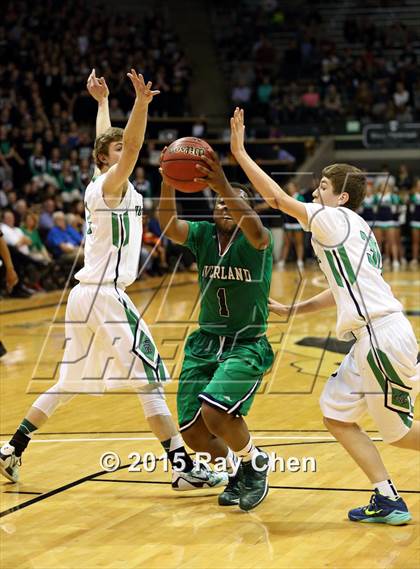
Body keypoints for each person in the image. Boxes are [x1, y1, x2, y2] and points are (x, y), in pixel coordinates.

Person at [0, 69, 225, 492]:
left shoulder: (100, 182)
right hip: (105, 295)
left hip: (85, 296)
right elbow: (131, 146)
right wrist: (141, 102)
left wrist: (102, 103)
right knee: (150, 379)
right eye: (117, 151)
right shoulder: (110, 184)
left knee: (69, 383)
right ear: (106, 160)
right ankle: (182, 466)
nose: (126, 153)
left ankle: (12, 448)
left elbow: (110, 142)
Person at [230, 107, 419, 525]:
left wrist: (240, 153)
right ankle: (386, 497)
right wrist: (292, 309)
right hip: (373, 338)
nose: (316, 194)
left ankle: (389, 499)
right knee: (335, 413)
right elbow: (339, 291)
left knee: (401, 434)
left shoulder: (332, 218)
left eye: (324, 187)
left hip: (382, 338)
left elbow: (277, 200)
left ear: (341, 197)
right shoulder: (356, 227)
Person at [158, 152, 274, 511]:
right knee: (193, 432)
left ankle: (255, 465)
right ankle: (239, 468)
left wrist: (223, 182)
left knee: (215, 412)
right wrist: (169, 180)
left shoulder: (257, 240)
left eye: (232, 203)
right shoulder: (203, 234)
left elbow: (254, 227)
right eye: (219, 203)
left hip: (246, 343)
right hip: (205, 342)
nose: (223, 207)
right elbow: (168, 223)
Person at [277, 181, 305, 271]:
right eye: (289, 187)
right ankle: (282, 261)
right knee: (286, 243)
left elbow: (301, 209)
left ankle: (300, 261)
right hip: (288, 223)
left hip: (297, 224)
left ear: (295, 187)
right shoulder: (286, 197)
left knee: (299, 243)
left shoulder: (300, 197)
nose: (290, 188)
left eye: (291, 187)